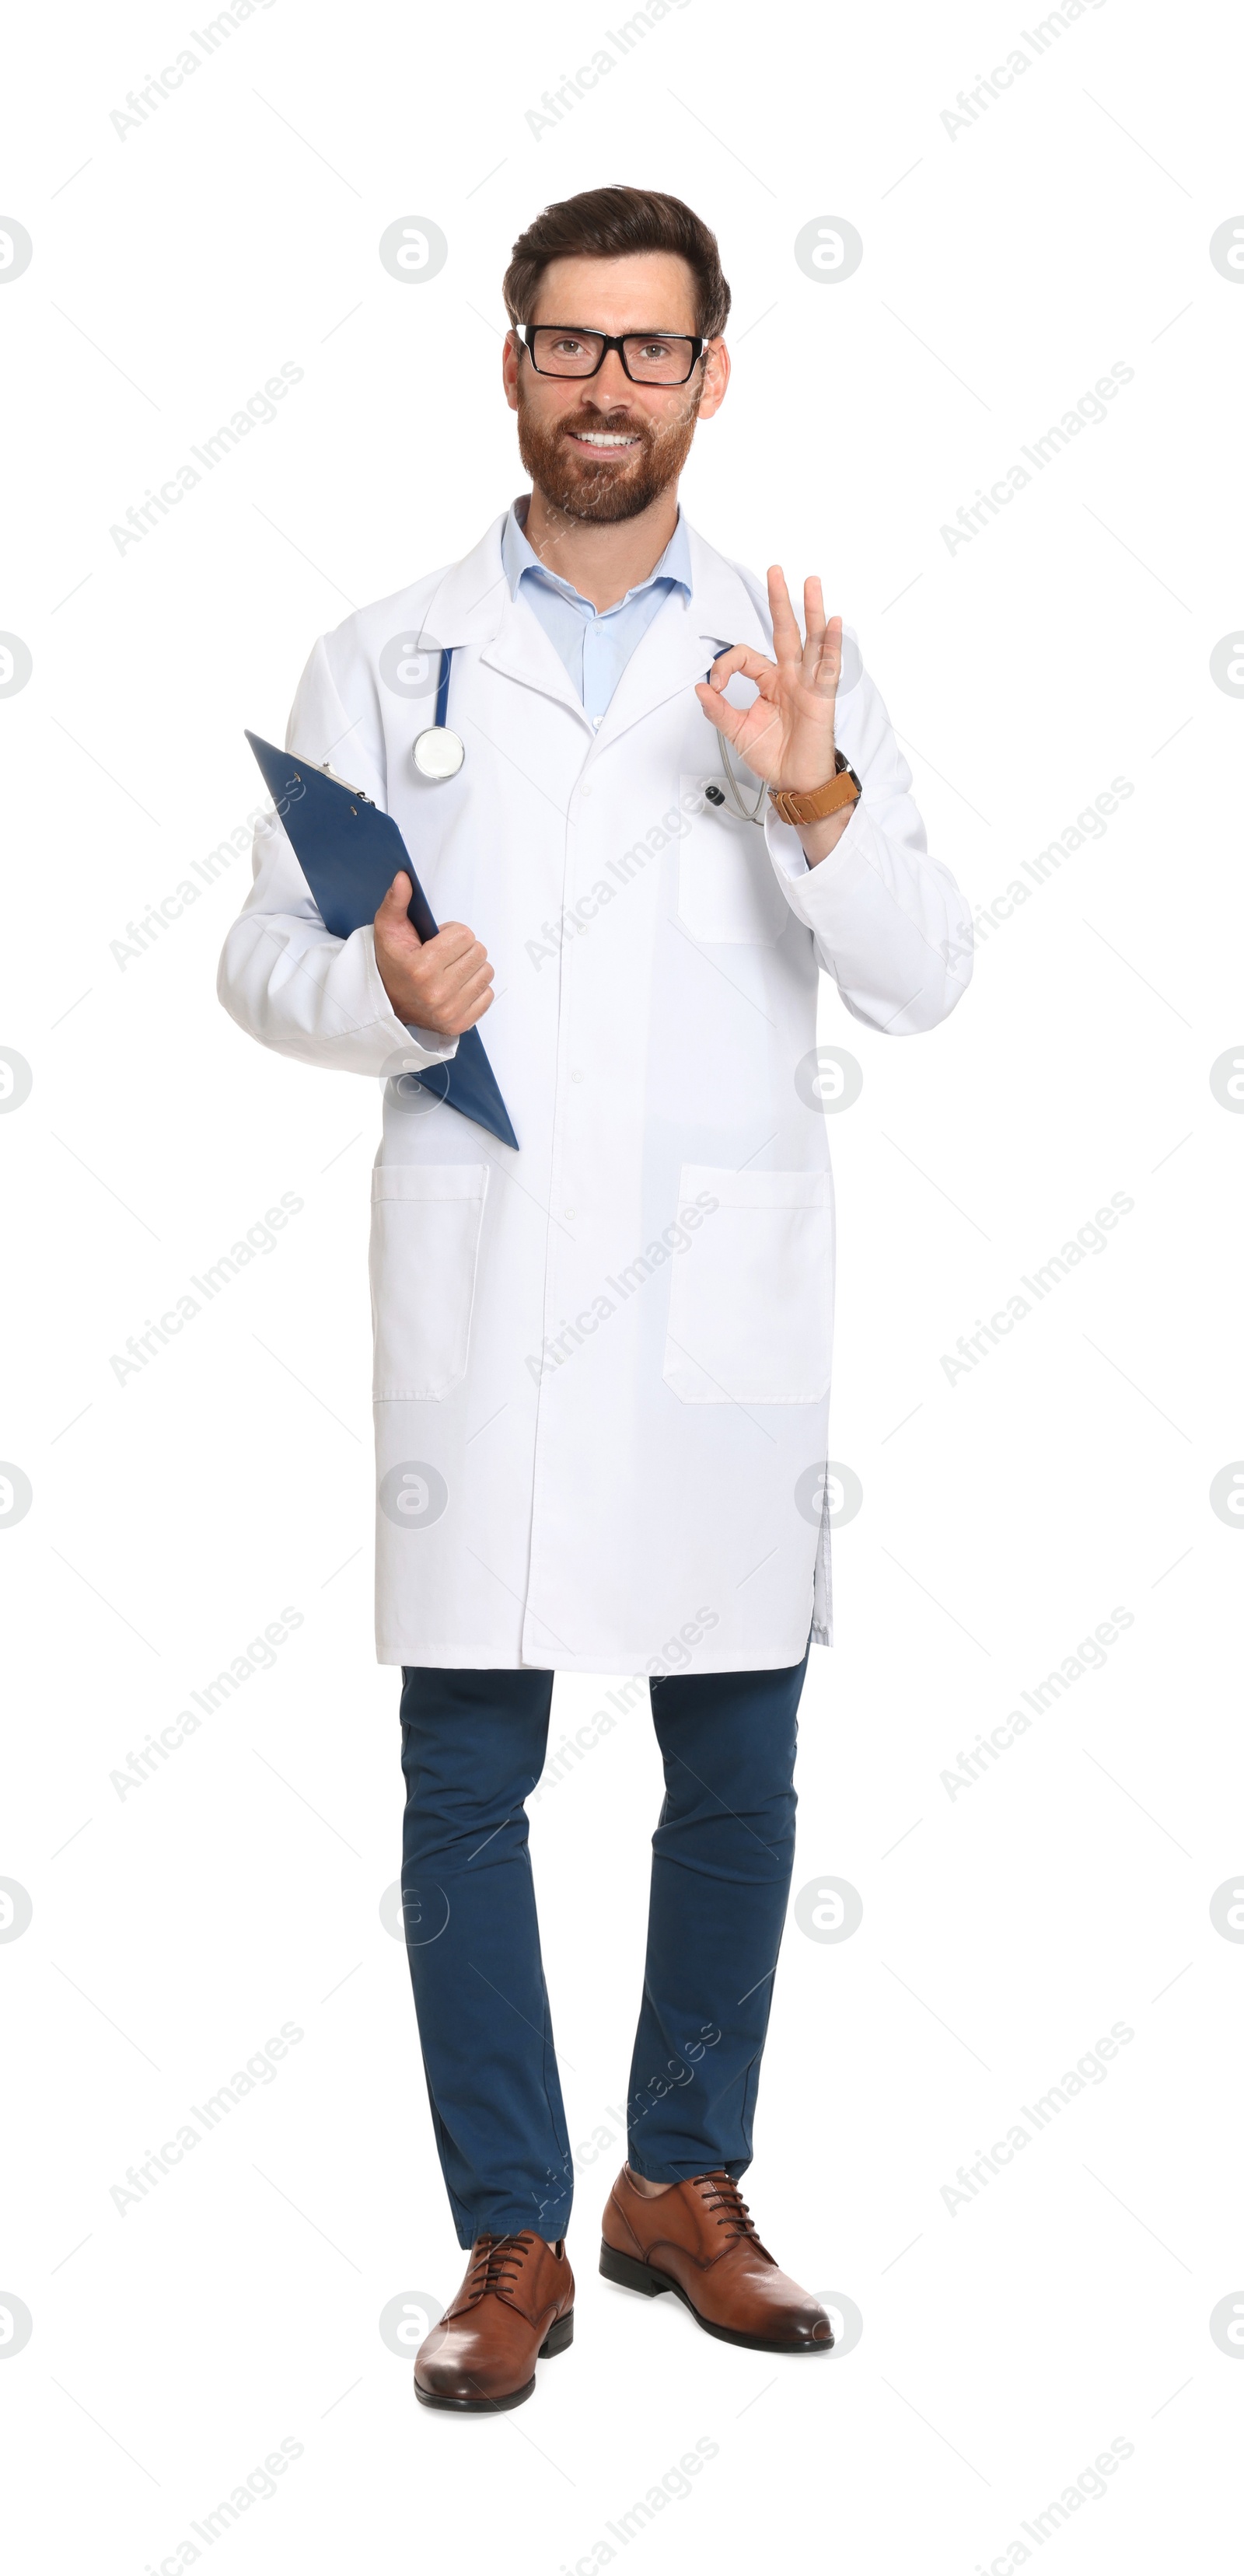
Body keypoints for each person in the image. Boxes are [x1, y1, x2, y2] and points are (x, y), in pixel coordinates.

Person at [218, 183, 973, 2414]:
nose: (608, 385)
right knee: (472, 1765)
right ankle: (515, 2231)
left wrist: (810, 784)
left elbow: (927, 969)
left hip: (718, 1304)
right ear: (513, 363)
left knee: (733, 1759)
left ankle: (687, 2184)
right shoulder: (387, 647)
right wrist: (380, 981)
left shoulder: (800, 651)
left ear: (713, 373)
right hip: (487, 1285)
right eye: (571, 343)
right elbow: (260, 956)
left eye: (652, 349)